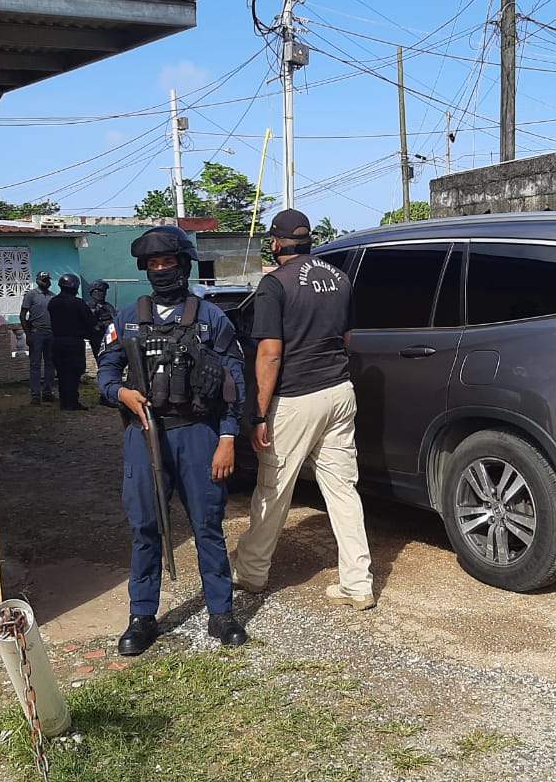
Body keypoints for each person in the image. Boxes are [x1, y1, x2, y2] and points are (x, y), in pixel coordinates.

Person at [96, 225, 249, 654]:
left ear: (183, 266)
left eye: (168, 262)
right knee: (145, 527)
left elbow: (234, 382)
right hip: (144, 434)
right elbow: (106, 371)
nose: (161, 270)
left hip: (198, 435)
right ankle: (142, 616)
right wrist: (120, 393)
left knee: (208, 526)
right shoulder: (127, 318)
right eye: (154, 264)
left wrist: (227, 437)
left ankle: (221, 613)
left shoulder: (211, 317)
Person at [232, 209, 375, 610]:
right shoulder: (340, 278)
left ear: (276, 242)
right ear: (309, 240)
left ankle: (252, 572)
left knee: (274, 489)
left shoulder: (274, 284)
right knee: (343, 491)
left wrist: (259, 414)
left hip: (295, 399)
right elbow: (347, 337)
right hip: (339, 392)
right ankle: (358, 584)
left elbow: (270, 354)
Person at [48, 274, 94, 412]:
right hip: (74, 342)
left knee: (62, 372)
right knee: (75, 372)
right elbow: (90, 322)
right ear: (75, 287)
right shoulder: (78, 303)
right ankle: (72, 401)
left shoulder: (53, 302)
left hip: (57, 341)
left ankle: (64, 402)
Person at [19, 270, 56, 404]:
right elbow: (22, 315)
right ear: (38, 281)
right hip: (36, 333)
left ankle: (47, 393)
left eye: (48, 280)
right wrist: (28, 334)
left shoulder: (53, 296)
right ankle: (35, 395)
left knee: (50, 364)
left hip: (51, 334)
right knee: (35, 365)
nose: (46, 282)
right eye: (43, 280)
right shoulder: (31, 295)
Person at [85, 279, 118, 363]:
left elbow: (115, 319)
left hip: (110, 337)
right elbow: (89, 321)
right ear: (93, 292)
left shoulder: (108, 306)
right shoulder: (88, 305)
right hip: (96, 338)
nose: (102, 293)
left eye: (104, 291)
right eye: (99, 291)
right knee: (101, 358)